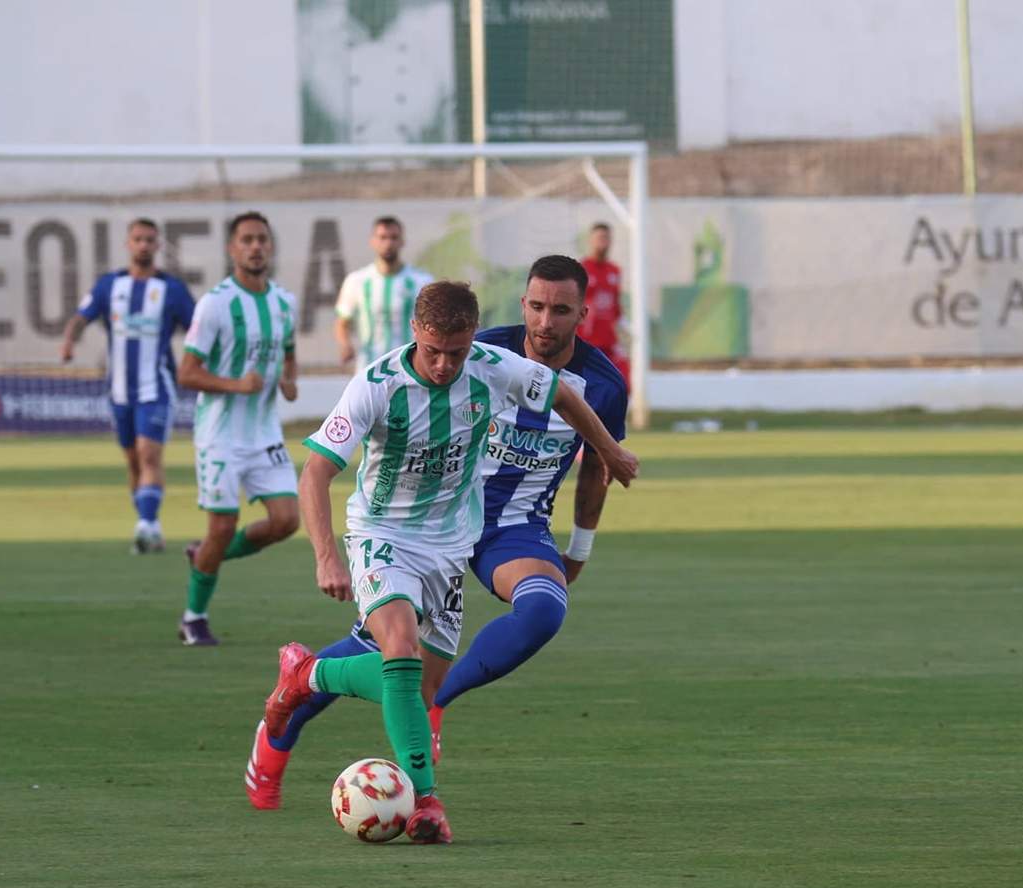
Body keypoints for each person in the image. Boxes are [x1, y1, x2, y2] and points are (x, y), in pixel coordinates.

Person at [250, 280, 638, 843]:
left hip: (449, 545)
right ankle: (426, 802)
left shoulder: (492, 367)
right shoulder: (376, 385)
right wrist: (327, 556)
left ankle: (304, 675)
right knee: (400, 652)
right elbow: (315, 472)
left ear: (472, 339)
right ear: (414, 331)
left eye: (455, 352)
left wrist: (608, 449)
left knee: (417, 687)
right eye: (432, 351)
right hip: (383, 535)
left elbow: (561, 395)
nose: (443, 364)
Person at [174, 211, 300, 647]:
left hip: (264, 433)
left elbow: (287, 350)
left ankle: (206, 556)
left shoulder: (285, 302)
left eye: (262, 239)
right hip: (220, 435)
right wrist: (234, 384)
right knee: (222, 527)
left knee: (287, 520)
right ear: (232, 249)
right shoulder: (215, 304)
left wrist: (288, 378)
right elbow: (186, 372)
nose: (255, 247)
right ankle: (194, 617)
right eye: (246, 240)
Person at [60, 218, 195, 553]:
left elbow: (197, 329)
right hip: (118, 391)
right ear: (128, 244)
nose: (144, 245)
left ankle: (145, 524)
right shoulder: (109, 285)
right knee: (134, 461)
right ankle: (151, 527)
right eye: (138, 239)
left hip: (156, 387)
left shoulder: (173, 290)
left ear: (158, 245)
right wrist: (69, 342)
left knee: (150, 454)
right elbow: (81, 317)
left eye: (150, 240)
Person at [334, 216, 434, 370]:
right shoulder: (357, 280)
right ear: (372, 241)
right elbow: (342, 323)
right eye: (382, 237)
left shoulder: (421, 281)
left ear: (402, 241)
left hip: (409, 366)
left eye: (394, 238)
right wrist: (346, 345)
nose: (388, 243)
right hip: (368, 367)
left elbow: (433, 323)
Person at [578, 222, 630, 386]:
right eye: (600, 238)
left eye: (606, 238)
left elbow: (615, 304)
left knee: (624, 380)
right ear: (590, 240)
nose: (603, 242)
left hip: (609, 340)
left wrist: (625, 325)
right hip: (586, 340)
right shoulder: (581, 269)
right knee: (587, 385)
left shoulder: (614, 271)